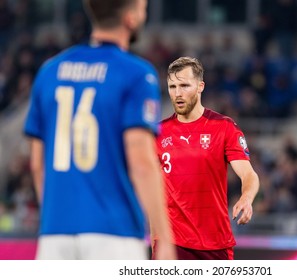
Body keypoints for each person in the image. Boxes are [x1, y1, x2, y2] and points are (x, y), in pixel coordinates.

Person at [23, 0, 176, 260]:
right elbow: (140, 161)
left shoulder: (49, 71)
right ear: (130, 18)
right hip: (113, 235)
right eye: (143, 7)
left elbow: (37, 164)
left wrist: (57, 218)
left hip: (54, 235)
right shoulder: (136, 74)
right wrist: (165, 238)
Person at [153, 57, 260, 260]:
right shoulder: (158, 133)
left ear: (200, 86)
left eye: (184, 85)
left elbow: (248, 174)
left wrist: (246, 198)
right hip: (171, 243)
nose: (177, 93)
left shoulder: (224, 128)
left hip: (214, 243)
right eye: (172, 86)